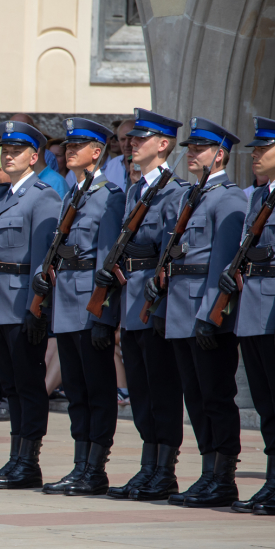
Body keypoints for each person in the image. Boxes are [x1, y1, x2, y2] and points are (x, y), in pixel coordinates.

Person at [145, 118, 246, 508]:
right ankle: (207, 473)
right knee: (195, 396)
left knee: (216, 395)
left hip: (206, 312)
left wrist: (210, 315)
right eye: (189, 147)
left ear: (219, 155)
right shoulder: (191, 196)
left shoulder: (229, 198)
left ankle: (223, 476)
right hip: (180, 308)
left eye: (199, 149)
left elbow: (221, 263)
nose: (191, 153)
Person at [31, 119, 125, 496]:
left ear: (97, 152)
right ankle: (79, 464)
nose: (69, 151)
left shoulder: (109, 195)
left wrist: (103, 315)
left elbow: (107, 261)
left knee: (97, 390)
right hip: (66, 303)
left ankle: (95, 469)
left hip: (89, 303)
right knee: (75, 391)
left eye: (78, 146)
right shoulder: (73, 194)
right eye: (67, 146)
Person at [102, 109, 188, 502]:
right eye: (131, 138)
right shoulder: (136, 191)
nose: (132, 143)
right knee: (140, 389)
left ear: (163, 144)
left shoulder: (175, 191)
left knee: (161, 389)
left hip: (155, 303)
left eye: (142, 138)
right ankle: (147, 465)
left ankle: (164, 471)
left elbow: (171, 251)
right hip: (131, 300)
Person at [0, 120, 61, 490]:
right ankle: (15, 458)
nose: (8, 157)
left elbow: (44, 258)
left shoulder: (43, 197)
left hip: (23, 299)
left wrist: (36, 307)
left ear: (33, 156)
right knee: (9, 385)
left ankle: (29, 461)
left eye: (16, 151)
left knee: (27, 384)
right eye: (4, 151)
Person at [223, 117, 275, 515]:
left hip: (274, 311)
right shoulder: (260, 198)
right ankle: (273, 478)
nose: (255, 155)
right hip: (253, 311)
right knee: (266, 403)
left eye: (264, 149)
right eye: (255, 149)